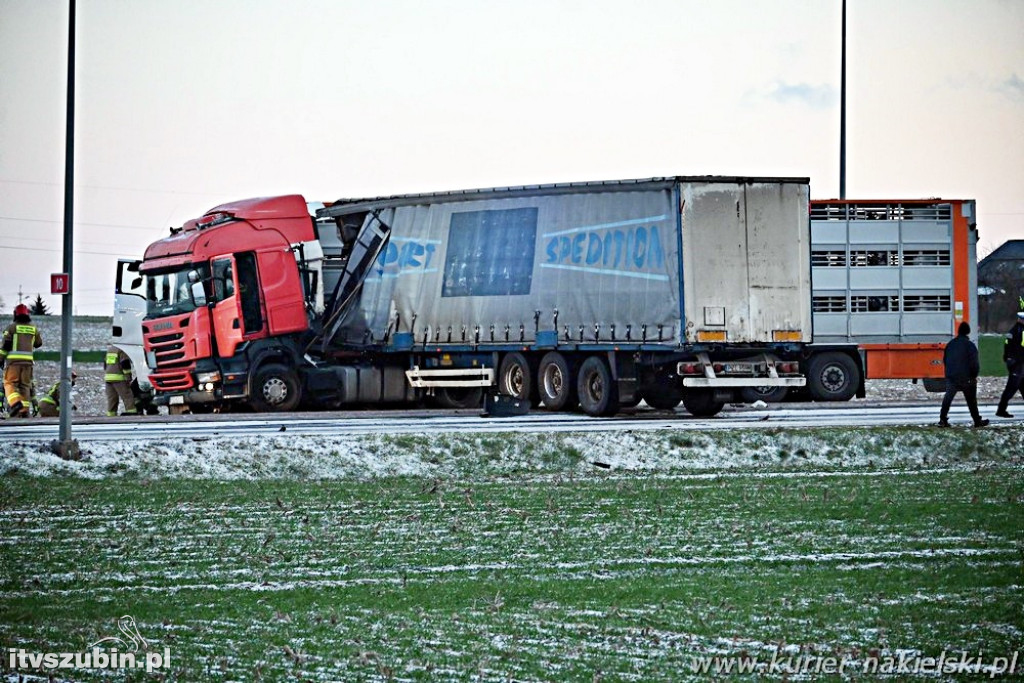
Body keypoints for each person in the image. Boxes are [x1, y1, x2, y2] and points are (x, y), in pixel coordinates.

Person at [938, 321, 989, 428]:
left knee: (948, 398)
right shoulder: (970, 346)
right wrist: (974, 376)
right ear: (968, 332)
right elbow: (974, 363)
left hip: (952, 377)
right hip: (967, 378)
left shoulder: (950, 344)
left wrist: (949, 374)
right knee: (971, 400)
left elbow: (945, 360)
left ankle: (943, 419)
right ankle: (977, 420)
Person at [0, 304, 43, 417]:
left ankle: (15, 403)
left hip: (13, 363)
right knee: (25, 386)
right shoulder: (33, 329)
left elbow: (5, 346)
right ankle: (24, 411)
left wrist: (0, 359)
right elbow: (38, 343)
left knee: (9, 383)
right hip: (28, 364)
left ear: (16, 315)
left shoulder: (11, 328)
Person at [995, 309, 1024, 418]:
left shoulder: (1013, 331)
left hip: (1014, 362)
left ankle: (1001, 410)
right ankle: (1001, 410)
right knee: (1011, 388)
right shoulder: (1021, 331)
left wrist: (1007, 359)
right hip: (1018, 364)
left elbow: (1007, 346)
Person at [104, 345, 138, 416]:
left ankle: (111, 415)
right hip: (119, 378)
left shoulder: (110, 350)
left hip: (108, 378)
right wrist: (128, 377)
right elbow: (125, 364)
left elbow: (105, 365)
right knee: (127, 396)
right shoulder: (122, 350)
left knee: (112, 398)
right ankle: (131, 412)